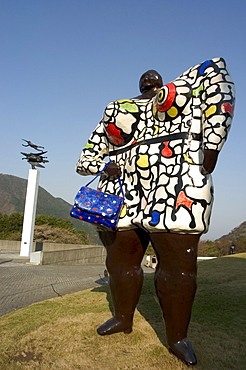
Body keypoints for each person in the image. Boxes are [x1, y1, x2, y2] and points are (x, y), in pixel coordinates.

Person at [76, 59, 235, 366]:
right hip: (123, 193)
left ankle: (177, 336)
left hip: (176, 188)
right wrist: (102, 165)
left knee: (179, 268)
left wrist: (213, 144)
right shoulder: (117, 111)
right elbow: (86, 158)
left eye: (155, 81)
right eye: (146, 81)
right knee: (120, 262)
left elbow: (217, 75)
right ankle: (123, 317)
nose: (150, 81)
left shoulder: (182, 97)